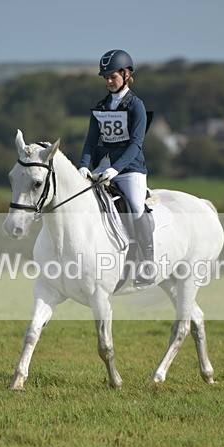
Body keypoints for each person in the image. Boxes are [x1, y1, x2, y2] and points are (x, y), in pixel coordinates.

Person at [78, 49, 155, 286]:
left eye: (113, 76)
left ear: (126, 74)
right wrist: (83, 165)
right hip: (103, 166)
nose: (109, 81)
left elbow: (136, 143)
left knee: (135, 207)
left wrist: (117, 169)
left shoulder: (136, 105)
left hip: (130, 168)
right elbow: (91, 142)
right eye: (106, 78)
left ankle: (148, 263)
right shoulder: (101, 106)